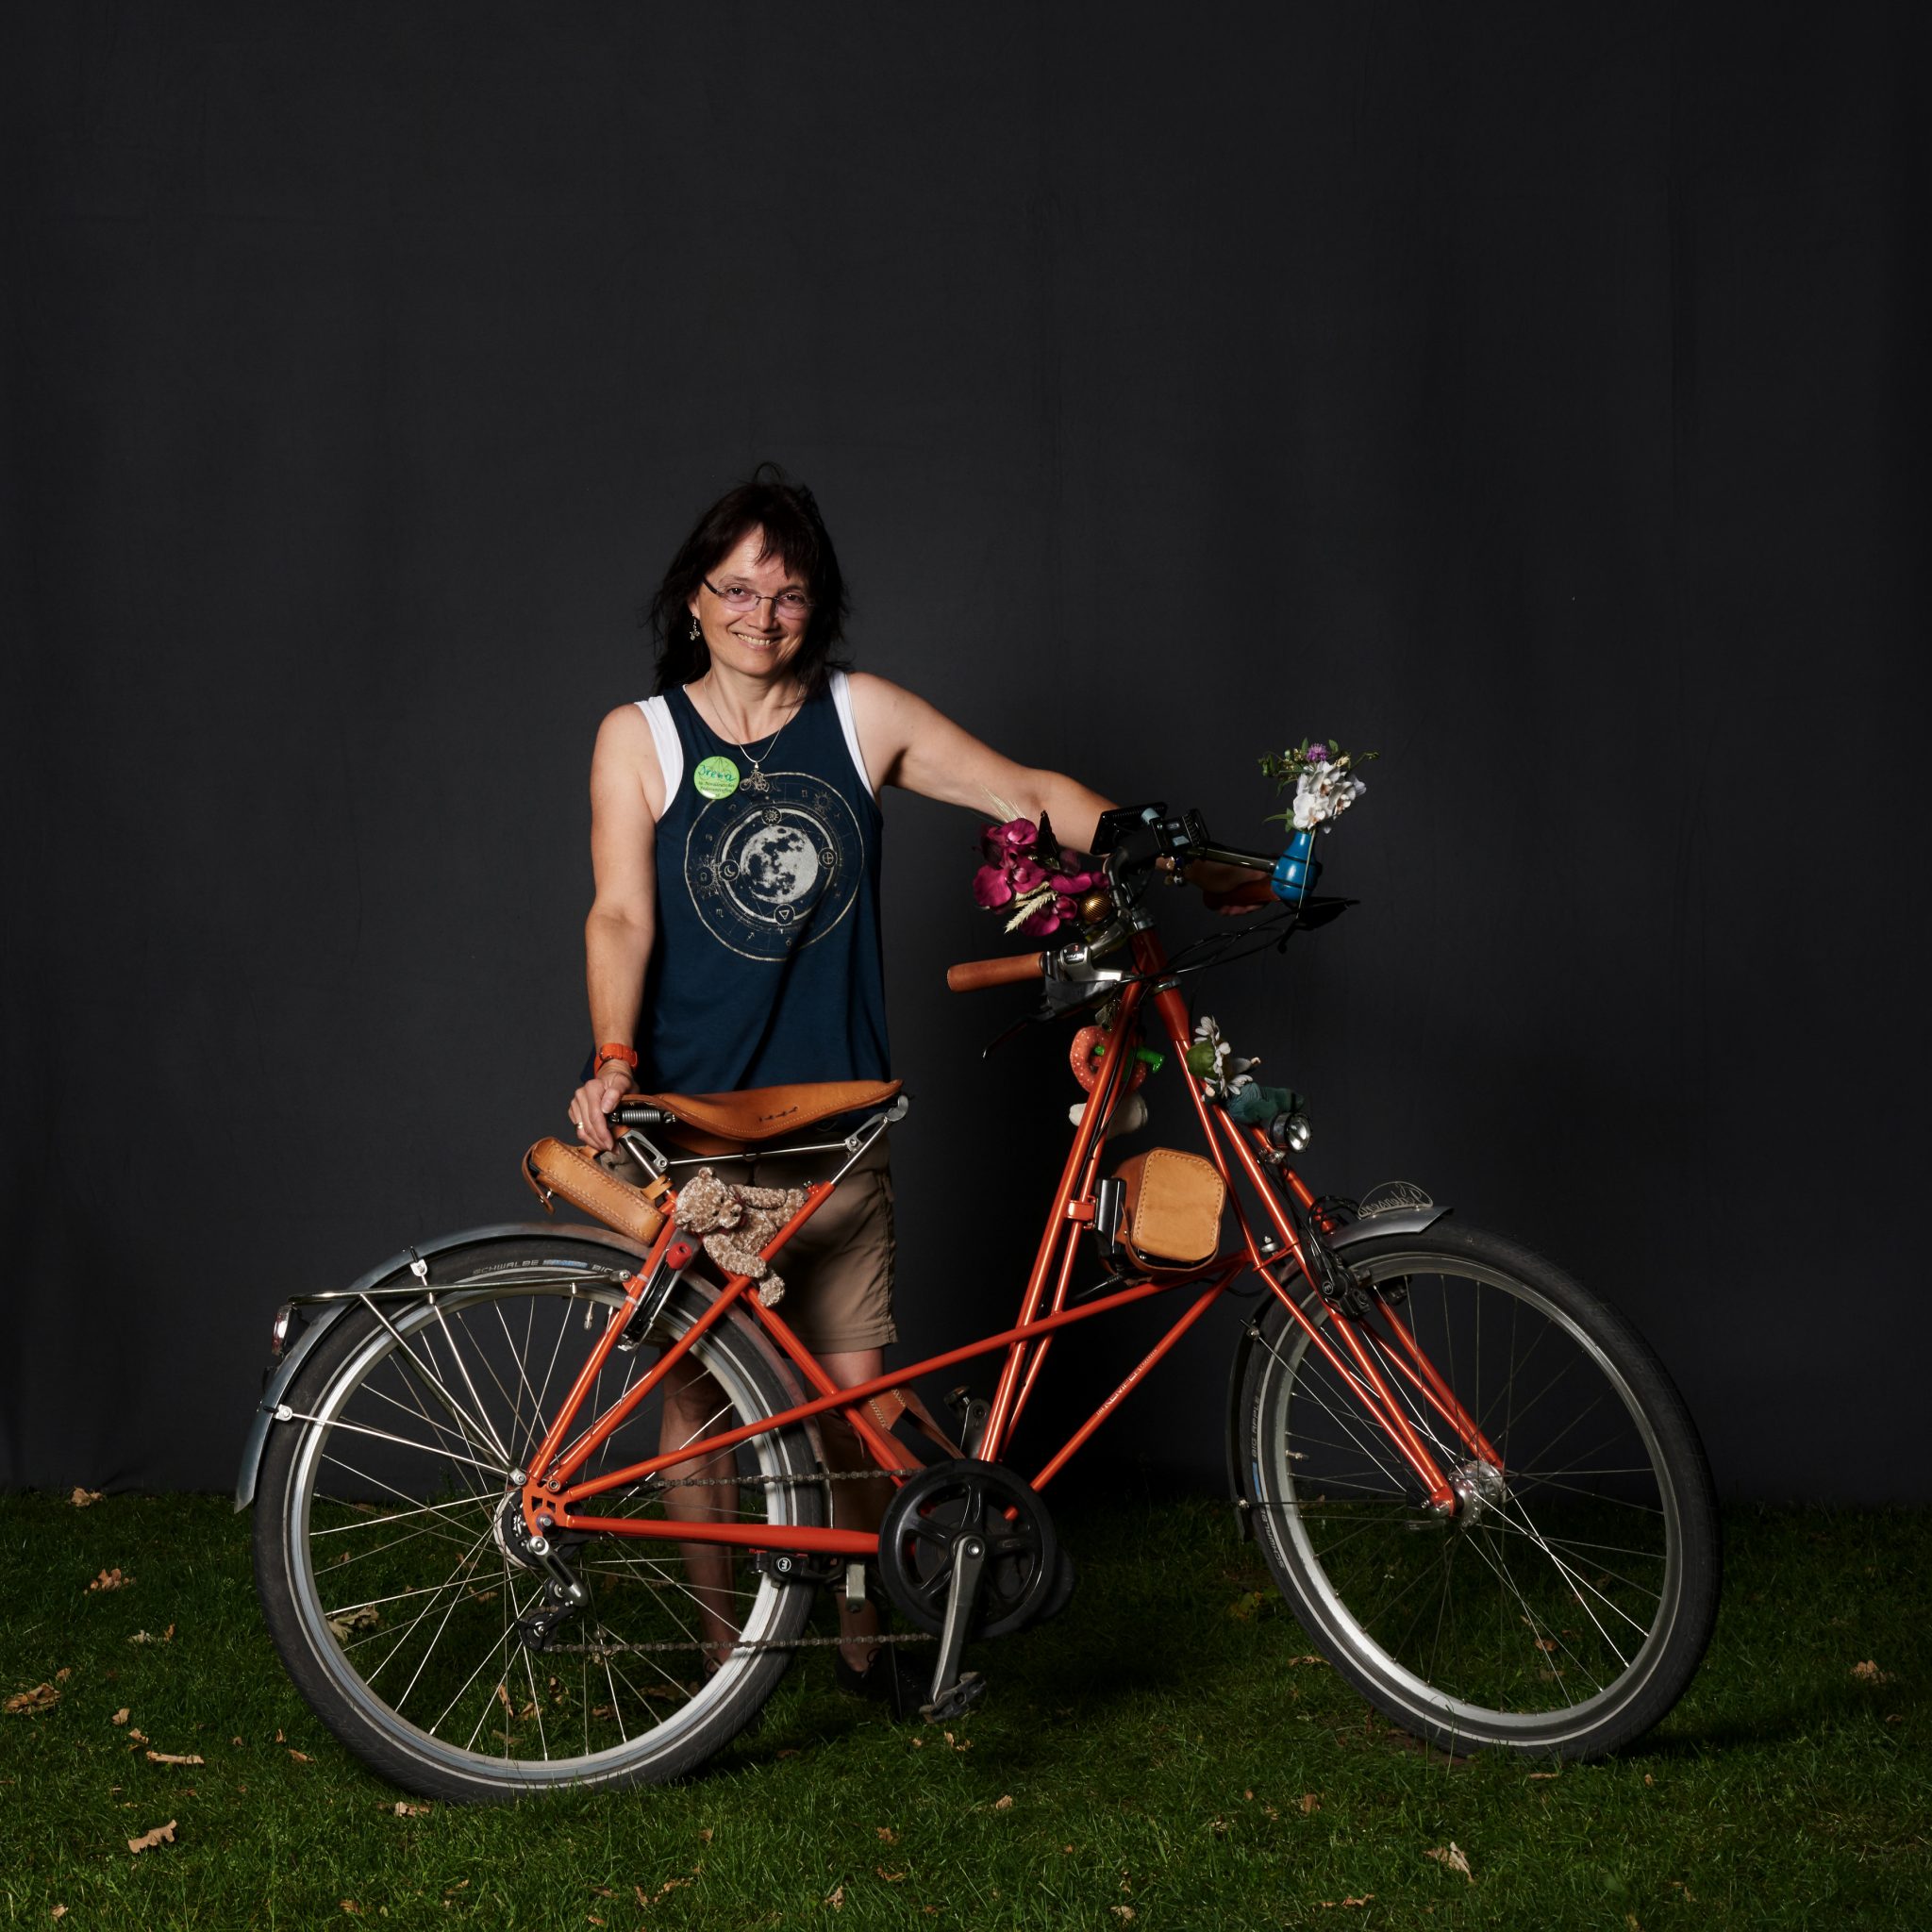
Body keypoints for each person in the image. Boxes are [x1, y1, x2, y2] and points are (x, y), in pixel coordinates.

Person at [566, 466, 1186, 1712]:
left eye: (789, 595)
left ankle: (860, 1639)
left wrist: (1155, 837)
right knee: (697, 1401)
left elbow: (1027, 793)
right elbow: (621, 914)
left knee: (857, 1403)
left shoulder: (860, 716)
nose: (761, 616)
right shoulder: (642, 738)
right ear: (695, 599)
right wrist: (614, 1058)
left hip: (840, 1128)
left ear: (819, 607)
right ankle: (722, 1659)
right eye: (737, 590)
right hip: (689, 1124)